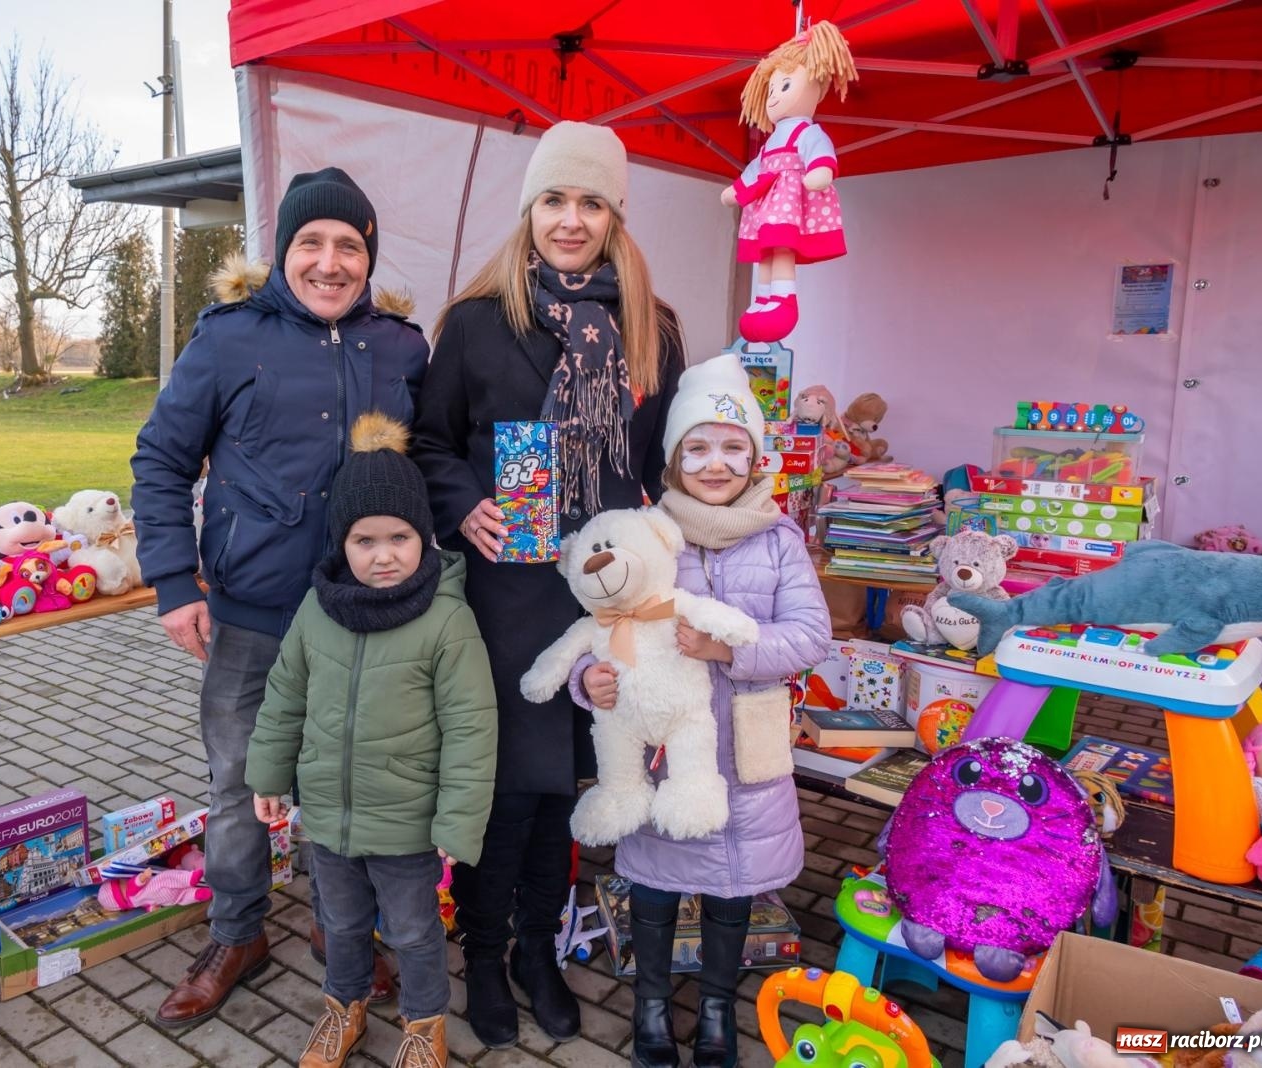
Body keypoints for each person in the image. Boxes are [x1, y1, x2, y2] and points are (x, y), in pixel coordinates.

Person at [131, 167, 429, 1028]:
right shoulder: (229, 340)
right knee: (238, 783)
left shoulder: (401, 347)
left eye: (349, 246)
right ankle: (237, 932)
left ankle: (342, 932)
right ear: (283, 253)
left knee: (356, 783)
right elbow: (160, 460)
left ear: (367, 256)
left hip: (363, 616)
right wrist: (175, 582)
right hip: (254, 614)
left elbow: (433, 465)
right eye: (311, 244)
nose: (330, 263)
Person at [409, 120, 684, 1049]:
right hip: (509, 593)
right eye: (555, 201)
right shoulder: (479, 322)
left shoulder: (653, 330)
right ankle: (483, 955)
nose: (571, 220)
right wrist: (464, 505)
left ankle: (541, 950)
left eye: (591, 202)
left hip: (602, 598)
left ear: (614, 216)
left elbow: (660, 471)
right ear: (530, 211)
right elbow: (433, 442)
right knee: (506, 788)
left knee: (572, 784)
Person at [570, 353, 831, 1068]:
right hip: (659, 749)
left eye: (731, 447)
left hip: (744, 755)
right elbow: (601, 624)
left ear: (754, 458)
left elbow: (811, 637)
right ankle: (651, 1005)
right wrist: (588, 679)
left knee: (732, 891)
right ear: (675, 458)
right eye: (698, 448)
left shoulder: (779, 542)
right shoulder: (648, 534)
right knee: (652, 884)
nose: (715, 464)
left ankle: (717, 1008)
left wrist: (727, 651)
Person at [246, 412, 497, 1068]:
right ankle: (344, 1008)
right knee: (342, 923)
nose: (382, 555)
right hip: (329, 816)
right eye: (364, 540)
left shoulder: (446, 620)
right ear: (341, 543)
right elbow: (284, 698)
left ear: (424, 538)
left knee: (415, 932)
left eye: (399, 537)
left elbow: (473, 727)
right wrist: (268, 778)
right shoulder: (318, 609)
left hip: (408, 825)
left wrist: (458, 819)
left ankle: (423, 1025)